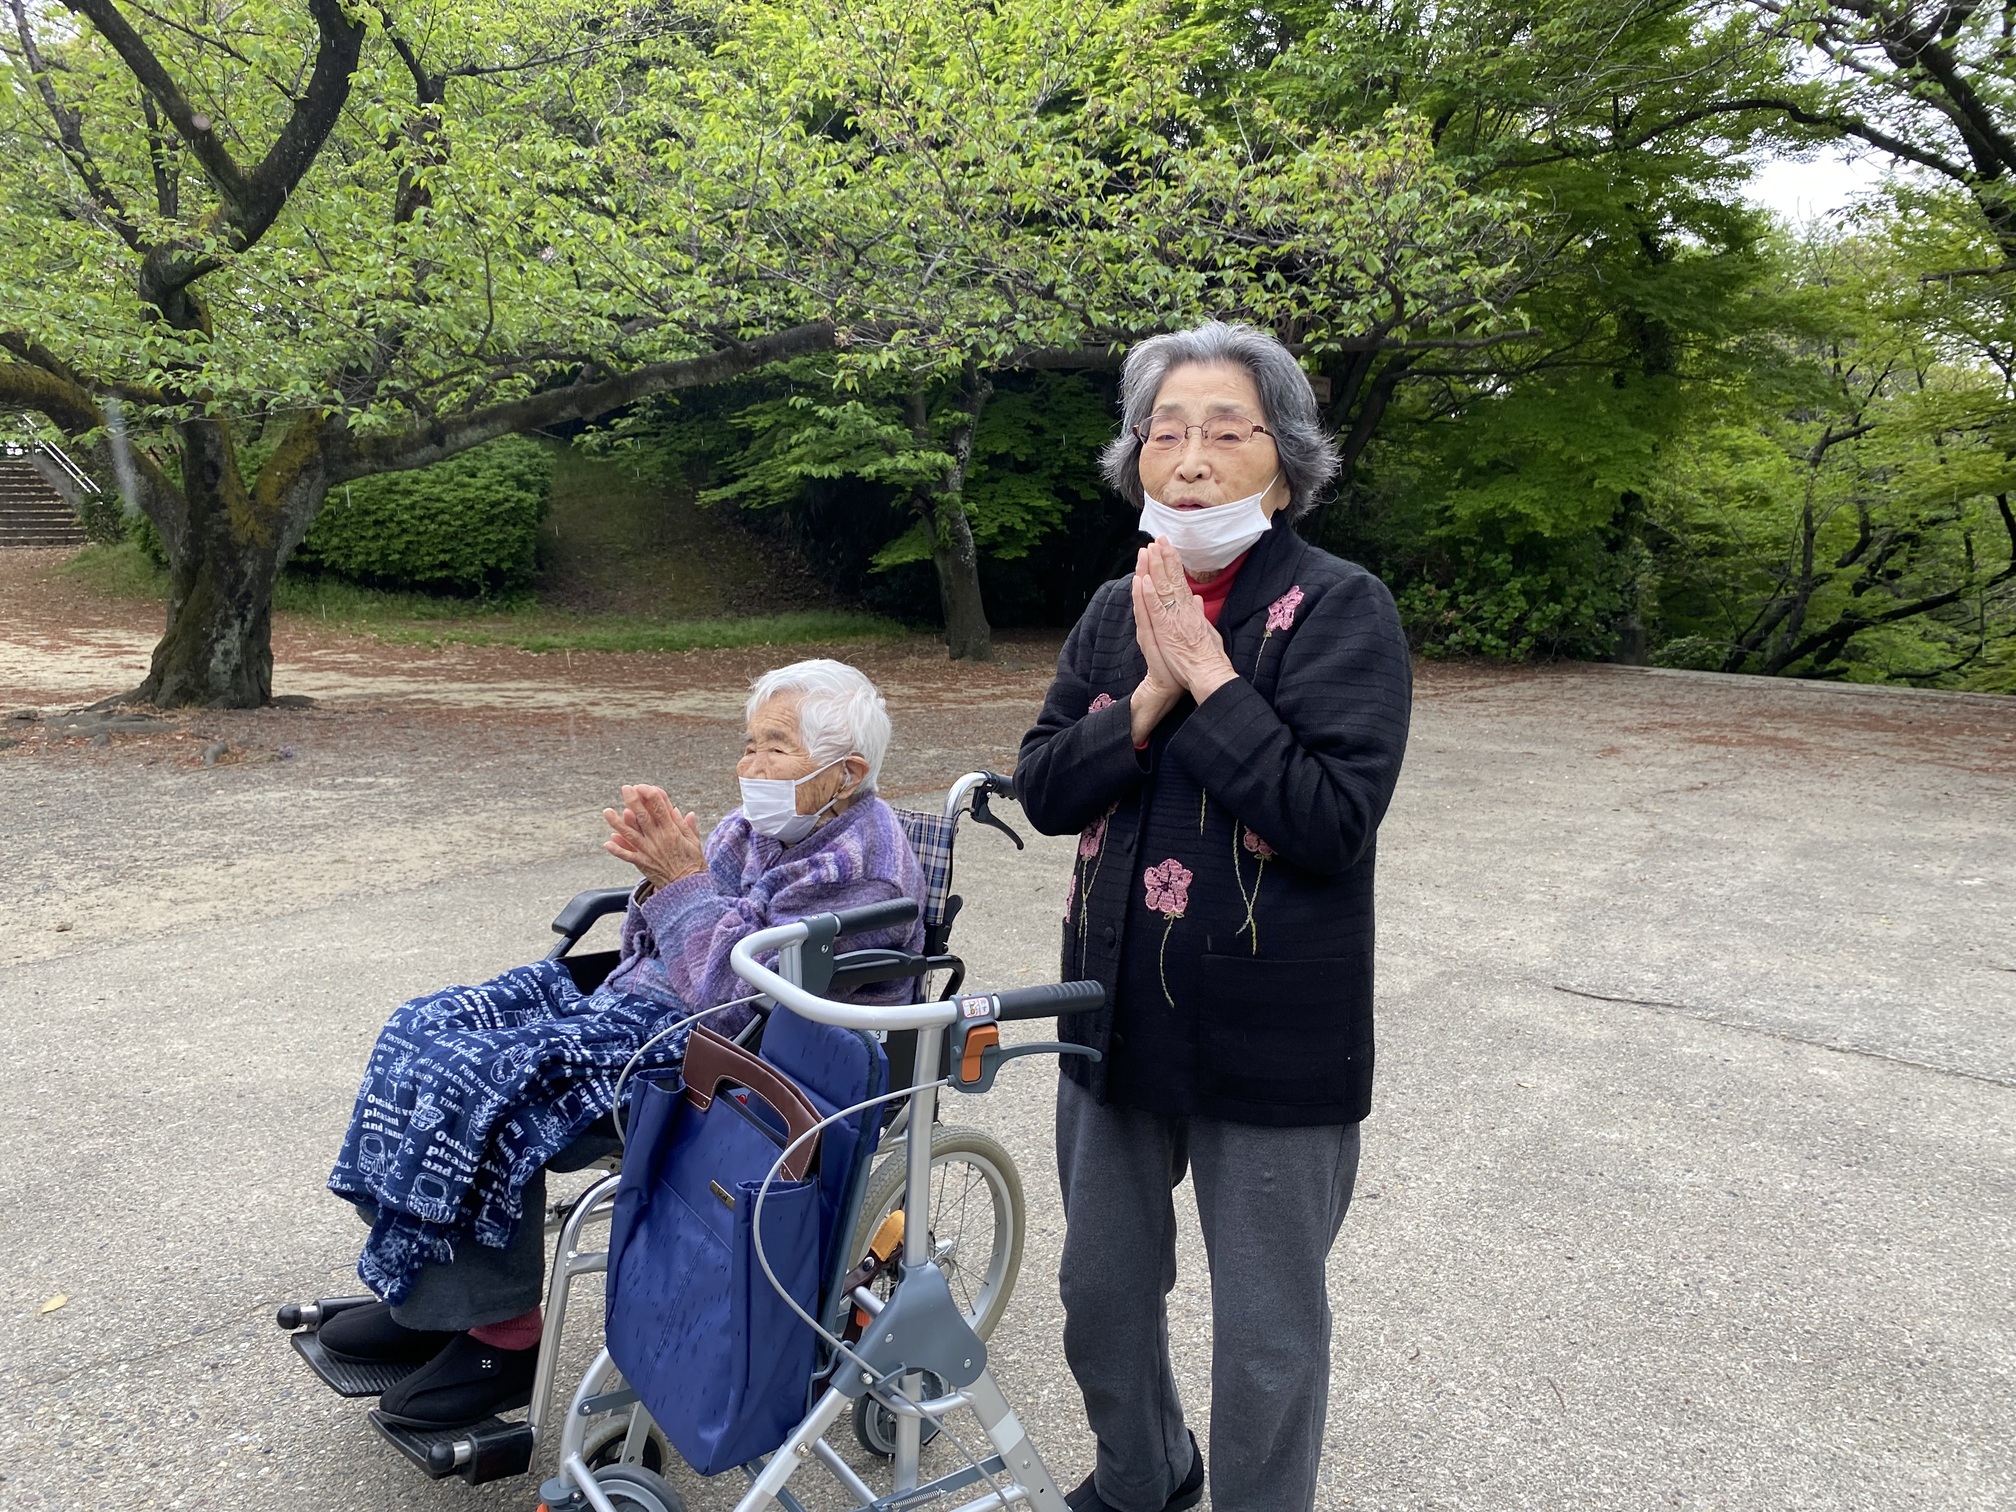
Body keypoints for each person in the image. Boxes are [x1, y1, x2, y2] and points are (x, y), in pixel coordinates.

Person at [1014, 321, 1412, 1512]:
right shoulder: (1109, 607)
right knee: (1102, 1294)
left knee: (1268, 1339)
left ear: (1284, 464)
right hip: (1110, 1013)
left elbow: (1332, 819)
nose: (1189, 456)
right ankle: (1144, 1475)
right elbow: (1043, 787)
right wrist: (1144, 693)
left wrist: (1211, 674)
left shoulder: (1343, 608)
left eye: (1225, 431)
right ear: (1136, 457)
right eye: (1165, 431)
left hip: (1275, 1036)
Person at [320, 659, 925, 1428]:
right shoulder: (759, 825)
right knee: (419, 1029)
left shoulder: (861, 872)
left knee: (475, 1080)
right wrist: (657, 877)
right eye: (748, 743)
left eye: (776, 747)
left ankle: (502, 1338)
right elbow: (661, 931)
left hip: (710, 1057)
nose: (750, 765)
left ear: (848, 774)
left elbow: (734, 1007)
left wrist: (678, 880)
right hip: (632, 997)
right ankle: (424, 1290)